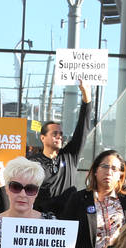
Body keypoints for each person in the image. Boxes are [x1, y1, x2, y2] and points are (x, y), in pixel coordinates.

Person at [28, 80, 91, 212]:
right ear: (43, 138)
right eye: (54, 133)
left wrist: (87, 98)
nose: (59, 136)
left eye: (61, 134)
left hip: (68, 219)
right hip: (42, 221)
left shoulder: (69, 156)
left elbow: (82, 129)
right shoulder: (33, 162)